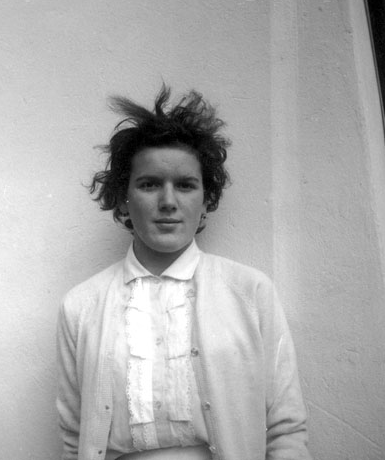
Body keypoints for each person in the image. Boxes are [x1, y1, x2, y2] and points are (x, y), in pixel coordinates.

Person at [56, 85, 312, 460]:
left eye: (186, 185)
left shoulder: (251, 292)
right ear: (123, 199)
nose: (168, 202)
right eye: (149, 184)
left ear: (206, 200)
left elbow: (285, 429)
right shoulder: (81, 306)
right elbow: (73, 435)